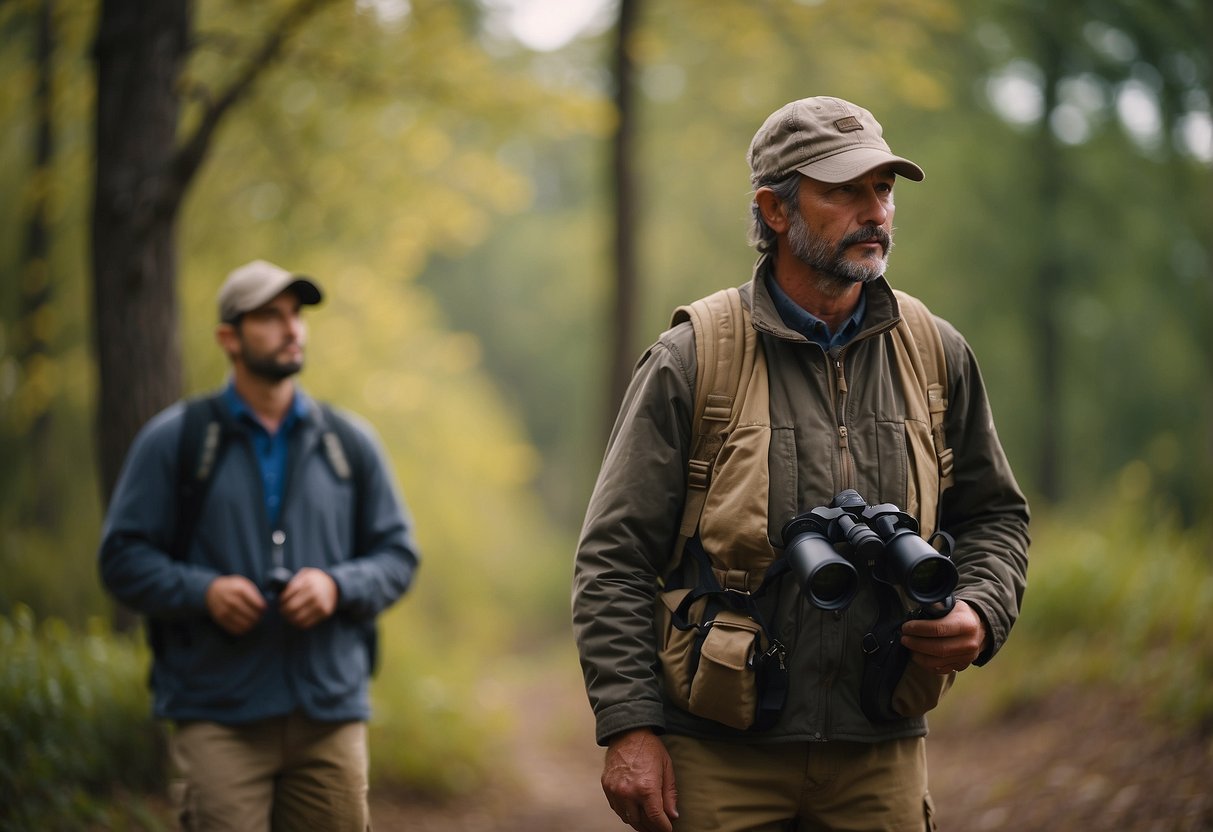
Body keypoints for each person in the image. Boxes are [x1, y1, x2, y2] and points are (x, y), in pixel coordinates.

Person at [571, 96, 1029, 831]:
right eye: (843, 191)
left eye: (881, 189)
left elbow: (995, 515)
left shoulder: (934, 350)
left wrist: (981, 607)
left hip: (879, 748)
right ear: (774, 210)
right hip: (718, 755)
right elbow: (614, 556)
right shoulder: (694, 356)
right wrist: (628, 728)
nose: (874, 210)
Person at [99, 259, 420, 831]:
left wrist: (336, 584)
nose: (291, 328)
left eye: (296, 315)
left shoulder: (349, 443)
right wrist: (205, 591)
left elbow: (398, 556)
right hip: (217, 715)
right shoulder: (176, 439)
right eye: (269, 317)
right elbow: (122, 558)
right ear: (229, 337)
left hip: (329, 714)